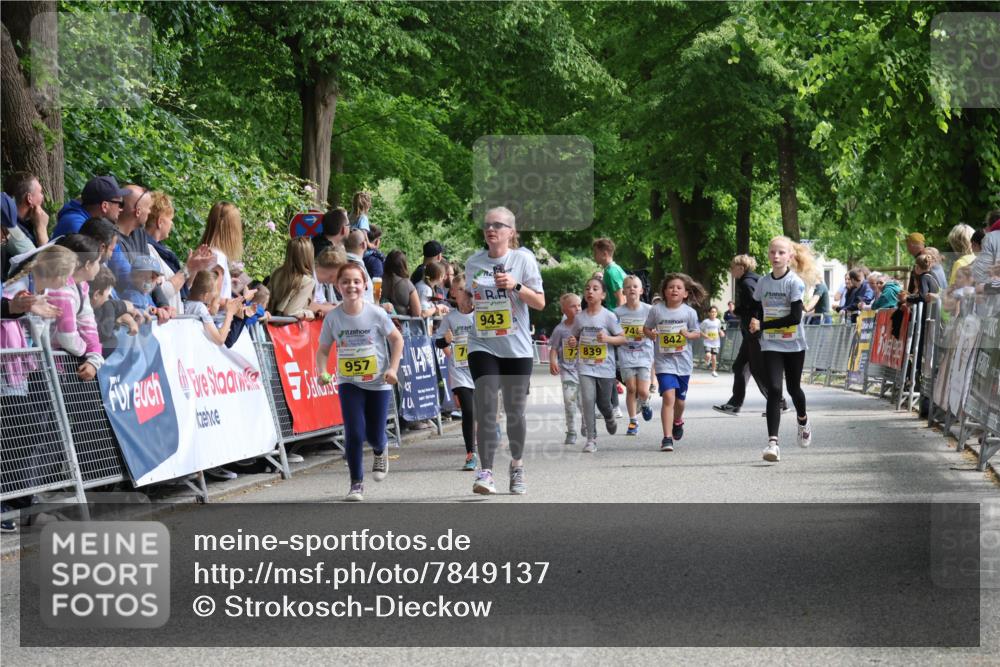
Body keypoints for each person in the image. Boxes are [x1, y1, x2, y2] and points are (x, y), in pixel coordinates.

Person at [465, 206, 544, 495]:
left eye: (498, 225)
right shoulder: (473, 262)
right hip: (482, 342)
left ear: (511, 232)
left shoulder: (523, 259)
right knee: (485, 406)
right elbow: (468, 301)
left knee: (514, 413)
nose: (491, 229)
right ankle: (485, 471)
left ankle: (517, 465)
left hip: (516, 347)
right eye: (487, 225)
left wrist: (515, 285)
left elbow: (540, 303)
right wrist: (464, 300)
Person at [316, 263, 403, 502]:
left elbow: (397, 340)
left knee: (374, 435)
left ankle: (380, 448)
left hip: (377, 382)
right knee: (354, 432)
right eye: (345, 282)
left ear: (364, 285)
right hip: (349, 382)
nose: (351, 286)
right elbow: (323, 350)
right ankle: (356, 484)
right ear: (337, 286)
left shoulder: (376, 313)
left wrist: (393, 368)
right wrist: (322, 371)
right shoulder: (333, 318)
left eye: (356, 281)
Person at [749, 236, 820, 462]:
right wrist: (754, 320)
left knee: (793, 388)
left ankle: (803, 420)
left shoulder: (794, 282)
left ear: (790, 256)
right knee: (774, 388)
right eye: (772, 252)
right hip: (771, 343)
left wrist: (763, 325)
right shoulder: (763, 282)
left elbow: (795, 317)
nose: (776, 256)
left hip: (793, 343)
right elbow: (756, 306)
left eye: (781, 252)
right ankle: (773, 444)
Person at [713, 255, 785, 416]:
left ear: (741, 268)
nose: (731, 271)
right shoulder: (754, 280)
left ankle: (779, 403)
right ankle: (734, 404)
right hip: (751, 332)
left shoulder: (747, 283)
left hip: (754, 332)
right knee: (739, 367)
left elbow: (757, 305)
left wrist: (743, 314)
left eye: (732, 267)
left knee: (758, 369)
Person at [644, 273, 704, 452]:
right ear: (664, 291)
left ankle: (678, 420)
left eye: (678, 288)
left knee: (680, 401)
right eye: (670, 287)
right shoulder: (656, 310)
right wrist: (651, 334)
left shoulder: (689, 312)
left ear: (685, 293)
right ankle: (667, 438)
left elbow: (697, 333)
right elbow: (646, 328)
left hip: (683, 363)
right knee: (668, 397)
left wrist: (688, 335)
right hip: (664, 362)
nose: (674, 290)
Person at [566, 277, 626, 453]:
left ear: (603, 295)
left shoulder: (609, 316)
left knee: (604, 403)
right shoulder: (580, 318)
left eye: (595, 288)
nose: (590, 291)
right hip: (585, 366)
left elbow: (623, 338)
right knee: (587, 400)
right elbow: (575, 337)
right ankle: (591, 439)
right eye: (587, 288)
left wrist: (607, 339)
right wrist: (573, 341)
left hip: (605, 367)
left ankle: (609, 416)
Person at [48, 235, 104, 380]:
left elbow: (88, 324)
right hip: (40, 364)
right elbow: (67, 337)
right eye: (98, 262)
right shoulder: (61, 290)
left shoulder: (82, 286)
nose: (99, 267)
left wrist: (94, 358)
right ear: (87, 264)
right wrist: (85, 352)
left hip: (54, 362)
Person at [436, 282, 477, 470]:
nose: (457, 292)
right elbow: (438, 342)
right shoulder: (450, 318)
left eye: (461, 288)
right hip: (460, 370)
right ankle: (471, 454)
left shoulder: (480, 314)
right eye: (457, 289)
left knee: (483, 411)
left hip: (480, 368)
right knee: (468, 411)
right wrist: (445, 340)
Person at [615, 275, 654, 435]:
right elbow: (613, 331)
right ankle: (633, 422)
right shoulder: (617, 312)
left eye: (635, 286)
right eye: (628, 286)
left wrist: (653, 333)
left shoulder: (649, 310)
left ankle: (645, 403)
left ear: (641, 290)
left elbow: (656, 328)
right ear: (623, 291)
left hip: (644, 353)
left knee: (643, 391)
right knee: (631, 388)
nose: (631, 289)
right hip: (626, 353)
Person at [548, 293, 584, 445]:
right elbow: (554, 348)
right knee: (569, 401)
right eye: (573, 306)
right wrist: (552, 361)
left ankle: (586, 424)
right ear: (564, 310)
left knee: (584, 402)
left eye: (579, 305)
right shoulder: (560, 329)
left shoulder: (585, 326)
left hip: (585, 371)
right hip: (568, 370)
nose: (578, 308)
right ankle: (571, 431)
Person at [54, 175, 128, 237]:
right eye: (120, 204)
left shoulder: (89, 222)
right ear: (104, 206)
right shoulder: (78, 225)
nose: (121, 209)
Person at [184, 270, 243, 346]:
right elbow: (220, 340)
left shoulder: (187, 301)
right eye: (215, 290)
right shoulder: (200, 308)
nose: (216, 293)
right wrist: (230, 313)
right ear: (206, 295)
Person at [199, 201, 244, 300]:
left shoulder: (207, 251)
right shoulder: (218, 257)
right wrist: (243, 299)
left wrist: (227, 283)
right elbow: (214, 300)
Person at [89, 266, 138, 356]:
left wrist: (119, 318)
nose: (108, 299)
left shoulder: (96, 308)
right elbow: (105, 333)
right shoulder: (85, 312)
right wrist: (111, 305)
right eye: (107, 296)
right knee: (112, 342)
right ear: (96, 294)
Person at [268, 237, 316, 320]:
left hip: (268, 322)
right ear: (308, 256)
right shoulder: (307, 282)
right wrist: (309, 314)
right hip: (286, 325)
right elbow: (291, 312)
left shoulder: (277, 272)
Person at [4, 171, 49, 247]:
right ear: (29, 198)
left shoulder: (25, 222)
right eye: (40, 192)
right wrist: (41, 229)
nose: (42, 197)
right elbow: (48, 254)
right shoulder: (14, 231)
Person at [592, 237, 626, 309]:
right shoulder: (612, 269)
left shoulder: (612, 272)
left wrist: (618, 316)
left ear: (604, 254)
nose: (593, 255)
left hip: (616, 314)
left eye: (595, 253)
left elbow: (621, 299)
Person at [344, 230, 375, 304]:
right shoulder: (355, 269)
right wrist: (380, 307)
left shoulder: (341, 264)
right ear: (364, 244)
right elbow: (356, 301)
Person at [700, 305, 725, 377]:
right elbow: (699, 330)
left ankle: (713, 371)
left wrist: (722, 333)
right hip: (707, 342)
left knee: (714, 358)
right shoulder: (705, 322)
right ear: (709, 313)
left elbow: (720, 330)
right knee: (708, 355)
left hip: (716, 342)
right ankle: (707, 360)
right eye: (712, 312)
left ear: (716, 313)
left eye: (715, 312)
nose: (713, 313)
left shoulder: (718, 321)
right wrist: (705, 336)